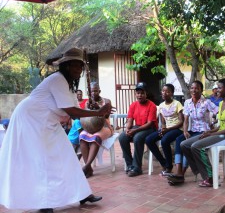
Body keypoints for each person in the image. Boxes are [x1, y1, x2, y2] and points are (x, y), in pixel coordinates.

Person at [0, 48, 113, 213]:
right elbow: (72, 112)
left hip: (47, 123)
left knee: (67, 155)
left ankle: (82, 194)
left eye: (80, 67)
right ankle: (42, 203)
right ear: (66, 66)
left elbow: (76, 111)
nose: (78, 70)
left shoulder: (69, 86)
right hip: (30, 120)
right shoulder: (57, 80)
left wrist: (96, 109)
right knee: (40, 161)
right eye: (75, 66)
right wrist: (98, 113)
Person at [180, 78, 225, 187]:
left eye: (220, 88)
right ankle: (201, 170)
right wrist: (209, 131)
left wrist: (211, 134)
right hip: (220, 133)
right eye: (217, 88)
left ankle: (210, 177)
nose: (217, 90)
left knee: (197, 146)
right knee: (184, 144)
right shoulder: (221, 103)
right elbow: (221, 125)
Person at [167, 80, 219, 184]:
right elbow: (186, 119)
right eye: (192, 88)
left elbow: (218, 112)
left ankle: (182, 173)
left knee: (188, 145)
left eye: (196, 88)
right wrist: (185, 131)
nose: (194, 90)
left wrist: (214, 121)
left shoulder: (206, 102)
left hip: (204, 131)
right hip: (193, 130)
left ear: (201, 90)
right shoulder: (187, 102)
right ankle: (179, 171)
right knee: (179, 140)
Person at [119, 82, 157, 177]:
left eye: (142, 93)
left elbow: (149, 123)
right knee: (122, 137)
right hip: (138, 127)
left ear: (146, 94)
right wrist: (128, 128)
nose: (140, 95)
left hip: (150, 128)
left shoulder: (151, 105)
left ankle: (137, 167)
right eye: (138, 93)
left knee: (137, 137)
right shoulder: (133, 105)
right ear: (135, 94)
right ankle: (130, 165)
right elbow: (130, 120)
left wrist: (135, 131)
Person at [145, 84, 184, 176]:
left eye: (167, 91)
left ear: (172, 93)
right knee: (149, 140)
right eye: (163, 91)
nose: (164, 93)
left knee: (165, 140)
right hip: (167, 129)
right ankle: (164, 163)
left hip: (177, 129)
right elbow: (163, 121)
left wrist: (167, 129)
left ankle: (169, 167)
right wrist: (163, 128)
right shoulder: (161, 106)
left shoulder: (177, 104)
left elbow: (181, 122)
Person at [79, 82, 114, 178]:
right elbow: (85, 117)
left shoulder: (106, 101)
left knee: (96, 137)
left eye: (95, 91)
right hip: (91, 127)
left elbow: (106, 116)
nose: (93, 93)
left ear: (99, 91)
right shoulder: (87, 102)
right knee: (82, 137)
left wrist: (98, 108)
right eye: (91, 91)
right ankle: (89, 168)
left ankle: (86, 167)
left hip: (105, 127)